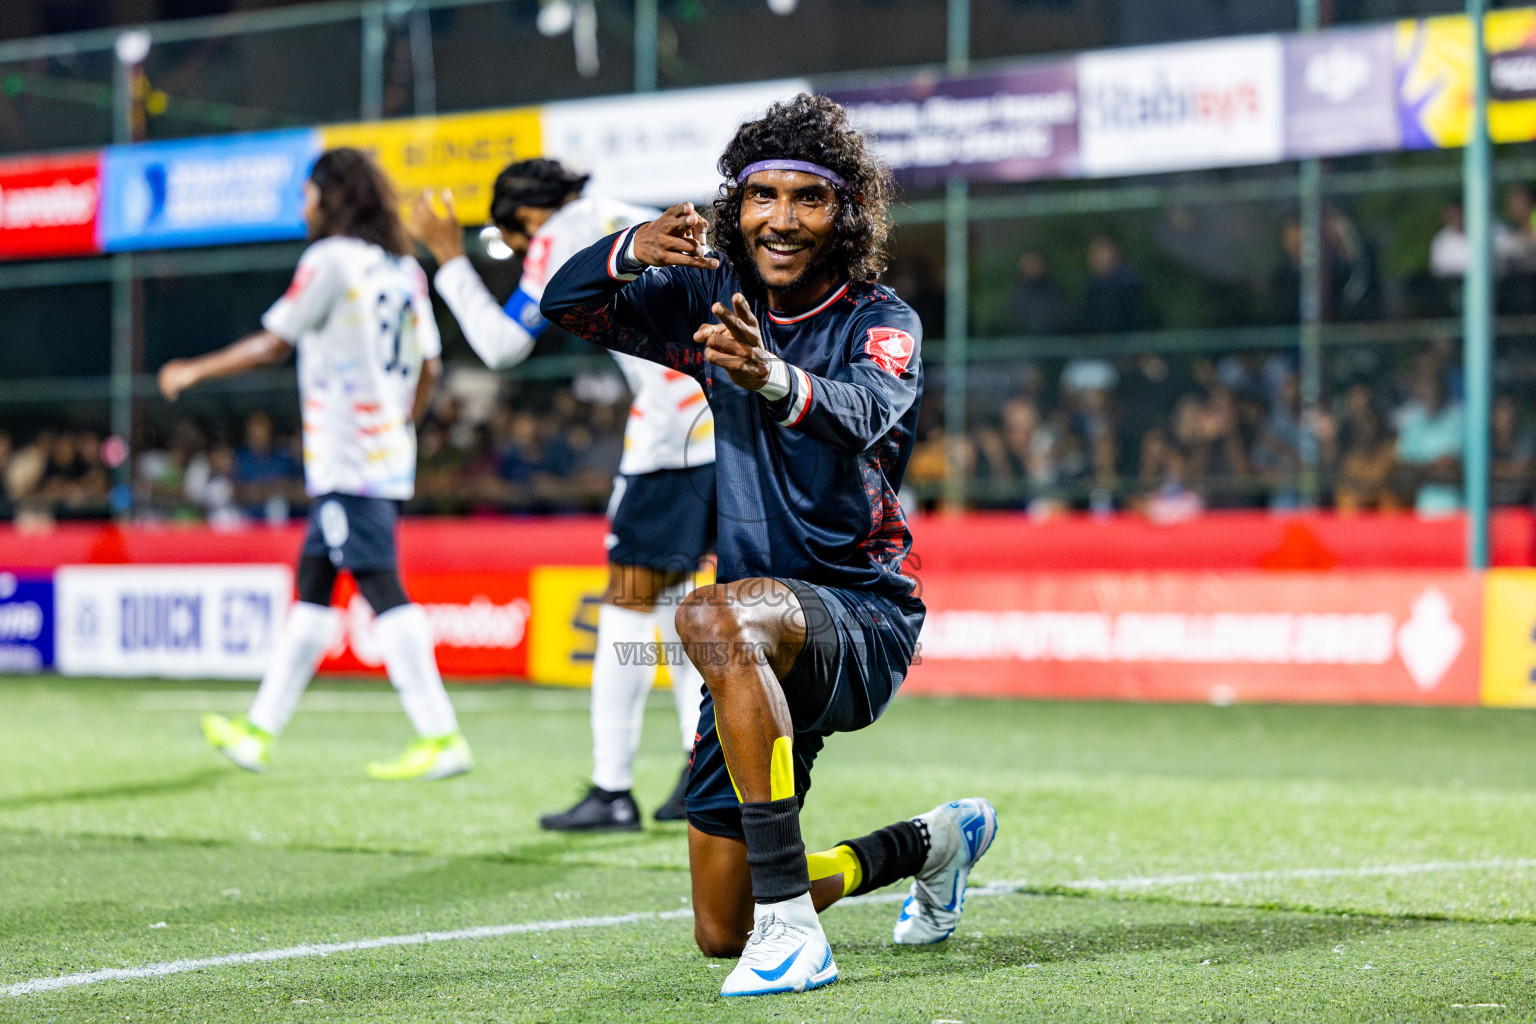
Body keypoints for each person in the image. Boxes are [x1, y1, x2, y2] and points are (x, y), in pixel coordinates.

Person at [541, 93, 996, 998]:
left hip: (859, 612)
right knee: (722, 927)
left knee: (707, 613)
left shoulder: (882, 318)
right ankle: (932, 842)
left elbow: (863, 411)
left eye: (809, 199)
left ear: (845, 214)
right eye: (762, 197)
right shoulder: (713, 296)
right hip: (746, 635)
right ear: (733, 207)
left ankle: (796, 935)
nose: (782, 219)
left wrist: (772, 375)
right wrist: (630, 249)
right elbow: (568, 302)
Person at [409, 158, 714, 828]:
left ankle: (611, 789)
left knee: (629, 604)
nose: (521, 256)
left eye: (514, 243)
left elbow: (502, 345)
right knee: (686, 607)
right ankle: (702, 772)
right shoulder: (622, 208)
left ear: (525, 220)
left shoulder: (562, 233)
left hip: (673, 440)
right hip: (729, 425)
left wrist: (447, 260)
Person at [158, 148, 472, 781]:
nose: (302, 206)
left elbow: (275, 341)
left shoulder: (329, 260)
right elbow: (431, 368)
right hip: (380, 452)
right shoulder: (403, 269)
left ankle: (441, 736)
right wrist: (397, 427)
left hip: (348, 460)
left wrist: (194, 368)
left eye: (307, 194)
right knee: (314, 591)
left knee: (381, 586)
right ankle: (257, 732)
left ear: (332, 196)